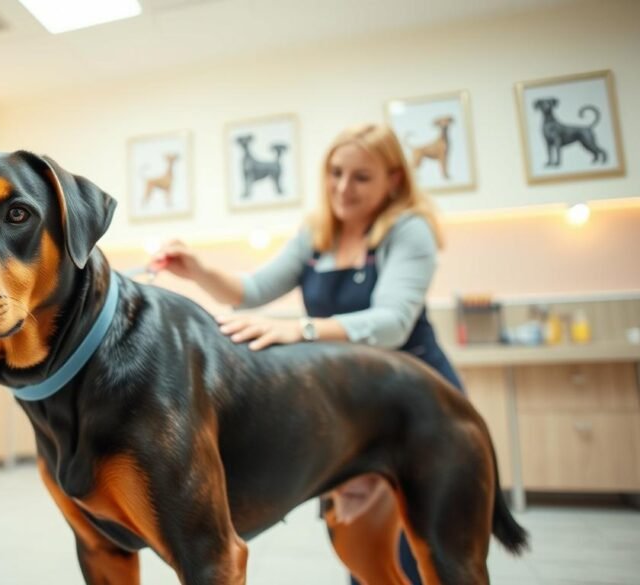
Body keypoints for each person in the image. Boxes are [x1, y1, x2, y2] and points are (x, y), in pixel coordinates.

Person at [152, 123, 462, 585]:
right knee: (362, 549)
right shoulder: (317, 235)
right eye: (335, 173)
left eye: (361, 177)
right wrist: (198, 270)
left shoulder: (408, 230)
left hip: (413, 403)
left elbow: (393, 322)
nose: (343, 188)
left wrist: (300, 330)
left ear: (394, 179)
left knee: (424, 548)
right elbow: (254, 290)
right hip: (352, 412)